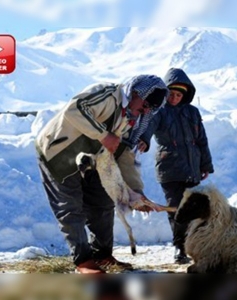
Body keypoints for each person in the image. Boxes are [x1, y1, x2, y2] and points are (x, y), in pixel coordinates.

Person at [35, 75, 168, 274]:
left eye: (151, 109)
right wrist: (104, 135)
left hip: (92, 159)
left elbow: (123, 154)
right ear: (136, 92)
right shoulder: (107, 94)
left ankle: (102, 254)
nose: (146, 111)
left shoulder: (130, 119)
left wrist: (136, 193)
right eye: (146, 104)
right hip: (58, 153)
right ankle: (83, 261)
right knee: (71, 207)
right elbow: (74, 109)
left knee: (103, 202)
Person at [140, 68, 214, 264]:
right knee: (176, 208)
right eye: (171, 94)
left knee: (192, 209)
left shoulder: (192, 112)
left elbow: (201, 139)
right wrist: (144, 141)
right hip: (169, 167)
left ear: (185, 95)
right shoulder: (160, 111)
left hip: (192, 167)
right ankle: (179, 248)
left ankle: (194, 246)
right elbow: (148, 127)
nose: (174, 98)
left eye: (178, 95)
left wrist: (205, 164)